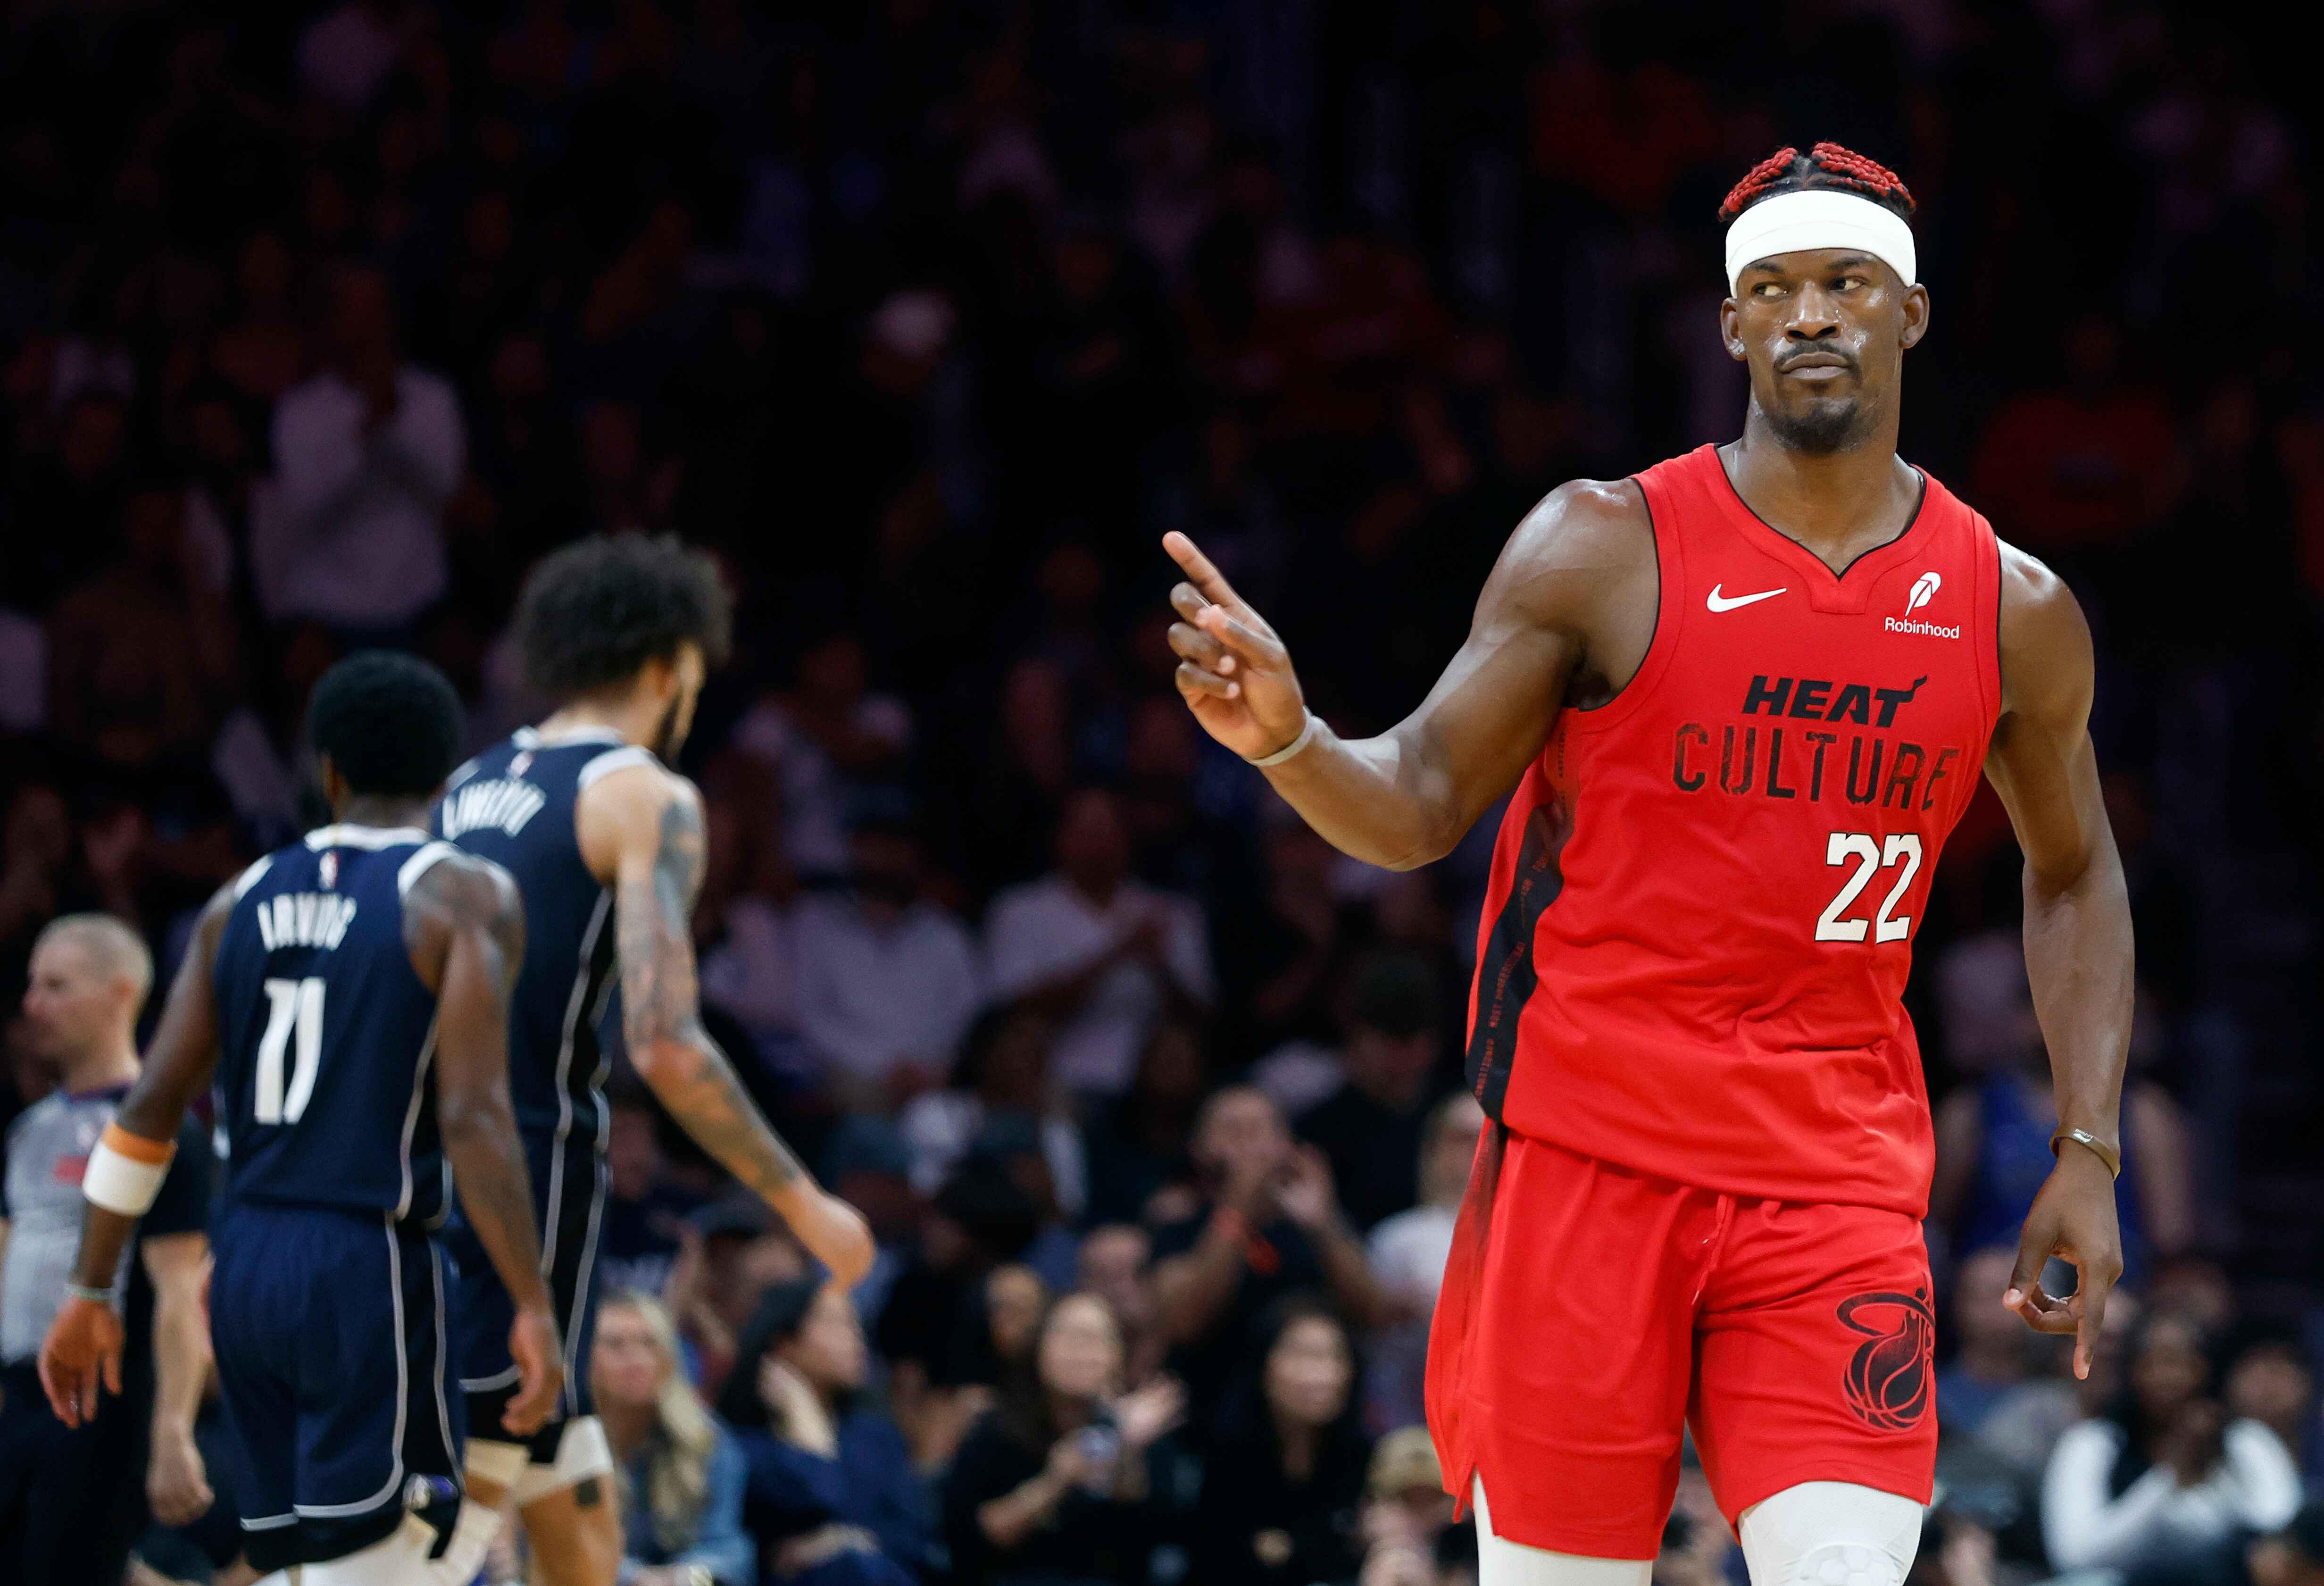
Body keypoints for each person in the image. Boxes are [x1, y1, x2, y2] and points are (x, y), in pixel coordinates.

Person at [1165, 141, 2137, 1584]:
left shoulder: (2010, 606)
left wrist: (2087, 1145)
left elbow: (2074, 869)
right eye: (1774, 288)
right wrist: (1293, 741)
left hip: (1831, 1178)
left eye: (1845, 283)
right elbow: (1422, 797)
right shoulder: (1599, 545)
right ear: (1730, 324)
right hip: (1584, 1160)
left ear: (1907, 315)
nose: (1810, 314)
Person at [37, 651, 566, 1583]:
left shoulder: (235, 901)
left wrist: (89, 1288)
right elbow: (480, 1118)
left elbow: (151, 1110)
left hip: (240, 1267)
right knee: (387, 1563)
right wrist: (530, 1300)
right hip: (361, 1260)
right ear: (447, 775)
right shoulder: (459, 894)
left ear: (327, 770)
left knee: (292, 1565)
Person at [434, 534, 874, 1586]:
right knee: (444, 1538)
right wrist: (805, 1202)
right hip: (531, 1173)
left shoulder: (466, 786)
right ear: (674, 664)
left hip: (429, 1168)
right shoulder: (646, 792)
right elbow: (666, 1044)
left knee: (570, 1493)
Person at [0, 915, 211, 1585]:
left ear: (121, 992)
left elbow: (181, 1294)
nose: (34, 1004)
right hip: (17, 1397)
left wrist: (172, 1431)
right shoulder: (29, 1127)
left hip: (101, 1399)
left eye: (57, 985)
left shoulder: (163, 1128)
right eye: (33, 984)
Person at [1150, 1086, 1393, 1405]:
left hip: (1318, 1410)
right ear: (1200, 1148)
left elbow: (1375, 1316)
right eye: (1234, 1131)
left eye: (1262, 1129)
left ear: (1286, 1143)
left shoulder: (1320, 1223)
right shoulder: (1179, 1227)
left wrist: (1323, 1223)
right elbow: (1184, 1322)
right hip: (1212, 1411)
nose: (1251, 1145)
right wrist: (1237, 1208)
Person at [984, 786, 1215, 1099]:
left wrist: (1161, 966)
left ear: (1127, 838)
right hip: (1051, 1090)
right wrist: (1115, 954)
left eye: (1107, 830)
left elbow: (1203, 1018)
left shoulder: (1170, 912)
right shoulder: (1019, 910)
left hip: (1148, 1098)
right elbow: (1011, 1011)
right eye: (1086, 831)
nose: (1097, 844)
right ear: (1060, 837)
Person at [942, 1290, 1185, 1586]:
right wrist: (1056, 1481)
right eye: (1067, 1335)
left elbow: (1153, 1545)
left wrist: (1126, 1448)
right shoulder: (995, 1428)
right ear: (1039, 1348)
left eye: (1096, 1338)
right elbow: (973, 1539)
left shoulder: (1139, 1432)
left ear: (1119, 1356)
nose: (1080, 1350)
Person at [2043, 1311, 2303, 1573]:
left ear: (2207, 1368)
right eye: (2153, 1362)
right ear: (2130, 1371)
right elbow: (2074, 1557)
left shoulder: (2246, 1441)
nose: (2168, 1378)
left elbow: (2281, 1533)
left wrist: (2215, 1466)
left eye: (2181, 1362)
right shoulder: (2092, 1443)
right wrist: (2169, 1476)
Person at [717, 1277, 926, 1582]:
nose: (855, 1338)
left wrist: (846, 1540)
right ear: (785, 1345)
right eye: (836, 1324)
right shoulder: (743, 1444)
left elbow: (914, 1542)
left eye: (856, 1324)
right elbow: (823, 1495)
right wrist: (805, 1418)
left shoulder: (875, 1435)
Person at [1193, 1297, 1375, 1586]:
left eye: (1334, 1356)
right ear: (1263, 1364)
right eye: (1303, 1355)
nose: (1322, 1375)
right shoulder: (1224, 1456)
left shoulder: (1367, 1459)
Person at [592, 1290, 753, 1586]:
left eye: (650, 1343)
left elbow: (729, 1548)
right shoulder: (565, 1443)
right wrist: (636, 1578)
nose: (638, 1359)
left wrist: (684, 1578)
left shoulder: (706, 1439)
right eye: (616, 1345)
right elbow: (562, 1548)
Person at [1294, 951, 1446, 1232]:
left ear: (1433, 1041)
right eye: (1388, 1039)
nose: (1401, 1056)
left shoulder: (1457, 1116)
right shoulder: (1319, 1132)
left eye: (1412, 1039)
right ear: (1355, 1037)